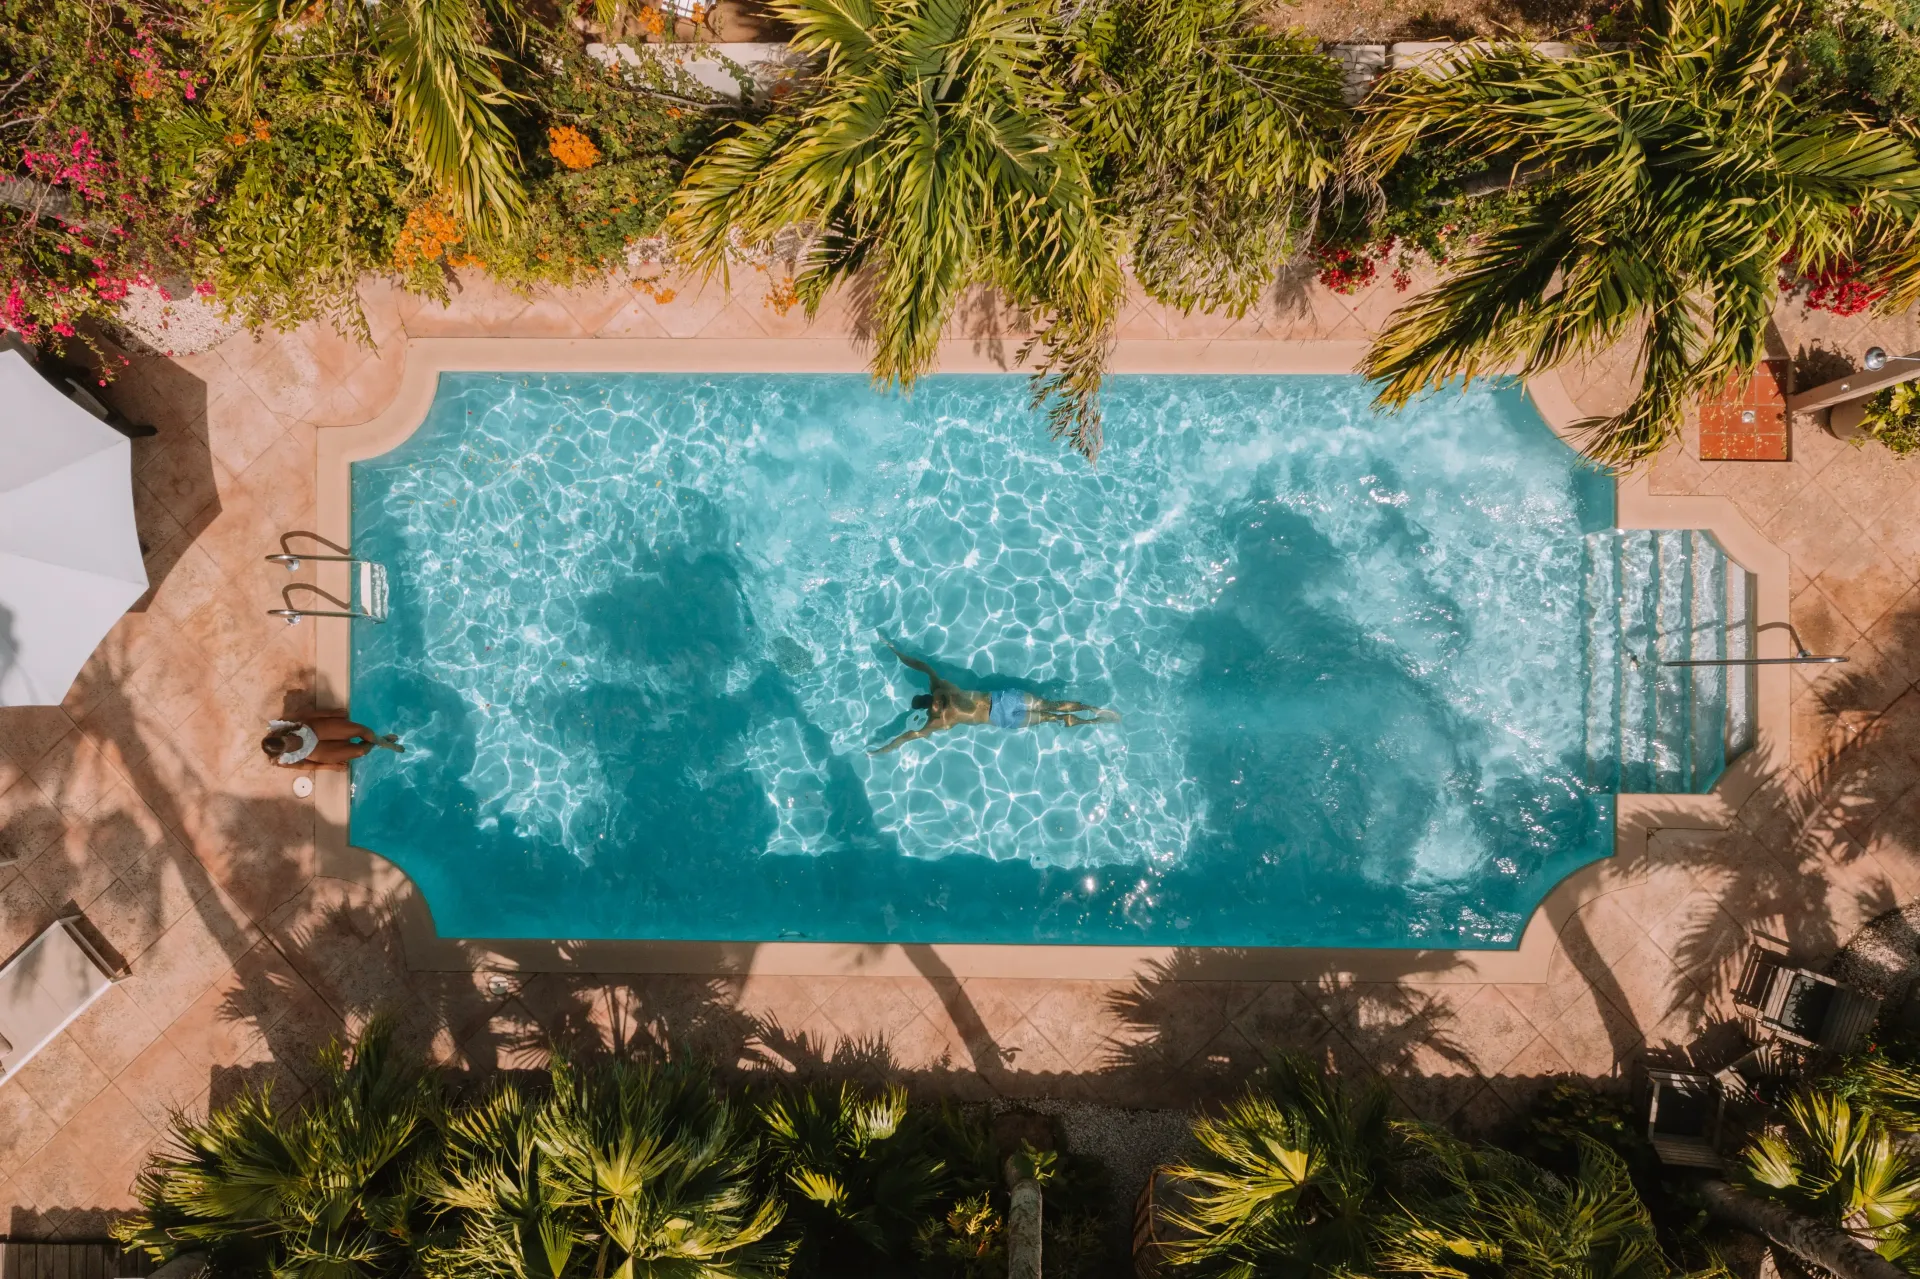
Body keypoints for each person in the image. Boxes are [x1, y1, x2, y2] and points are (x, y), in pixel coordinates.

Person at [870, 646, 1118, 755]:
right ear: (926, 710)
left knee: (1049, 705)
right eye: (929, 706)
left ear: (928, 695)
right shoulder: (937, 721)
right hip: (1000, 719)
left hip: (1003, 699)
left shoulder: (940, 687)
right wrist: (884, 748)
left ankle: (1094, 709)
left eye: (929, 700)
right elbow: (908, 737)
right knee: (1050, 717)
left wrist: (895, 651)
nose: (933, 704)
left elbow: (921, 665)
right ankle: (1091, 721)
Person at [262, 717, 403, 767]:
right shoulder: (283, 760)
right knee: (361, 751)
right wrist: (329, 767)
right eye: (288, 746)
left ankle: (383, 742)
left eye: (287, 739)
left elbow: (304, 716)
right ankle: (379, 741)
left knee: (361, 731)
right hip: (314, 751)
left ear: (280, 735)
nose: (290, 742)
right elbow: (302, 766)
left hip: (314, 730)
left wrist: (329, 714)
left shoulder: (280, 727)